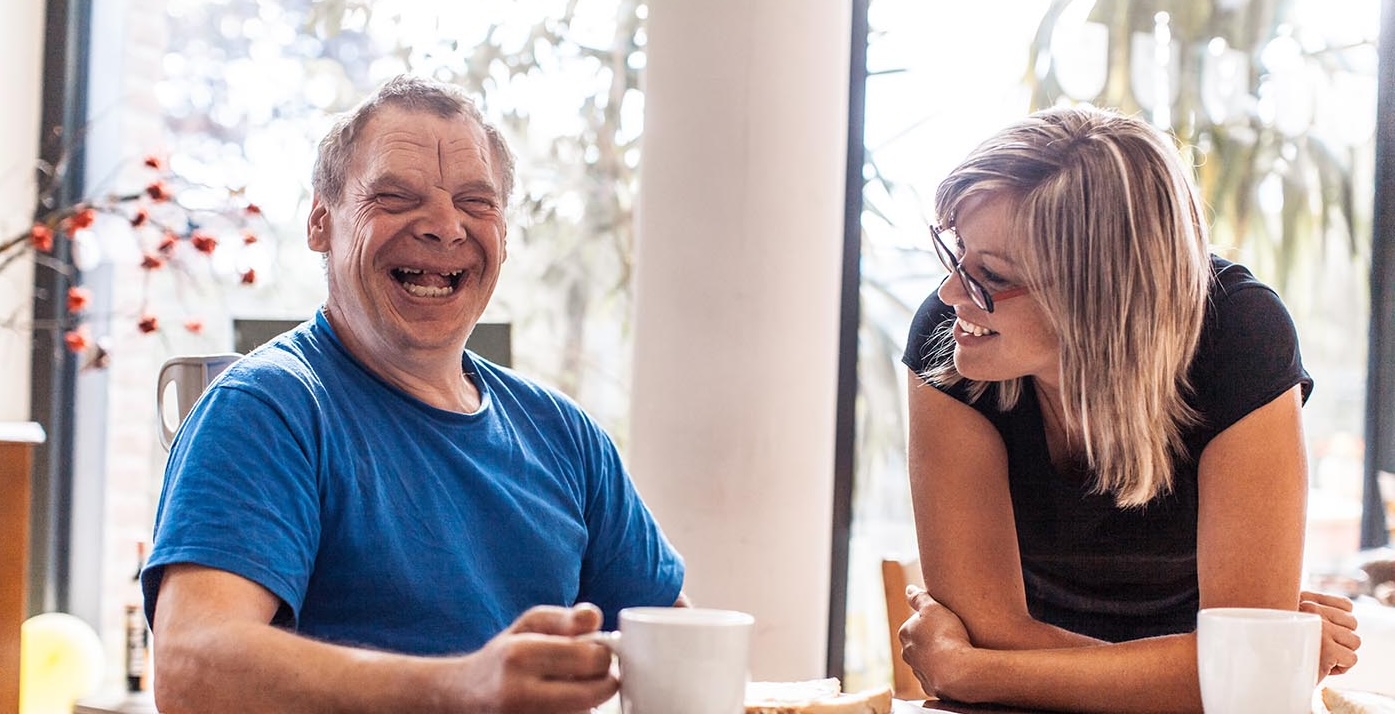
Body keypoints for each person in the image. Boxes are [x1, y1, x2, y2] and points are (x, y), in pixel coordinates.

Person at [141, 74, 686, 714]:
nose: (444, 227)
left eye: (476, 202)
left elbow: (675, 644)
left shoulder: (566, 436)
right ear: (322, 222)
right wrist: (462, 688)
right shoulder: (268, 409)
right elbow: (193, 667)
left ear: (504, 233)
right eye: (396, 197)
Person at [897, 105, 1361, 712]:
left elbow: (1243, 669)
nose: (950, 291)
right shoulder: (954, 337)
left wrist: (971, 671)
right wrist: (1209, 668)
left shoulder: (1239, 336)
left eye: (990, 274)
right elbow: (1243, 667)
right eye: (956, 250)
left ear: (1096, 293)